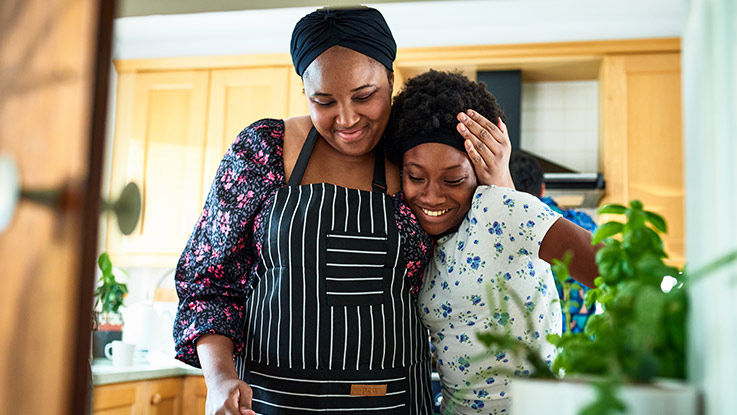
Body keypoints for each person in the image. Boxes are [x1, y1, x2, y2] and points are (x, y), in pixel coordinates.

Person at [172, 8, 508, 415]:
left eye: (364, 96)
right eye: (324, 101)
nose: (347, 119)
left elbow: (487, 258)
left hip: (391, 402)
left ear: (390, 78)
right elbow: (208, 282)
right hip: (266, 403)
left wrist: (501, 180)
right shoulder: (264, 150)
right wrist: (219, 378)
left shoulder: (417, 160)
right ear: (305, 94)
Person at [387, 70, 599, 414]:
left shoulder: (501, 208)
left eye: (453, 178)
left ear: (480, 171)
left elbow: (612, 269)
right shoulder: (419, 239)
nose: (431, 195)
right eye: (415, 177)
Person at [509, 150, 598, 333]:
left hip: (531, 348)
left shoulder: (506, 225)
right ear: (542, 188)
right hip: (581, 347)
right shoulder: (585, 224)